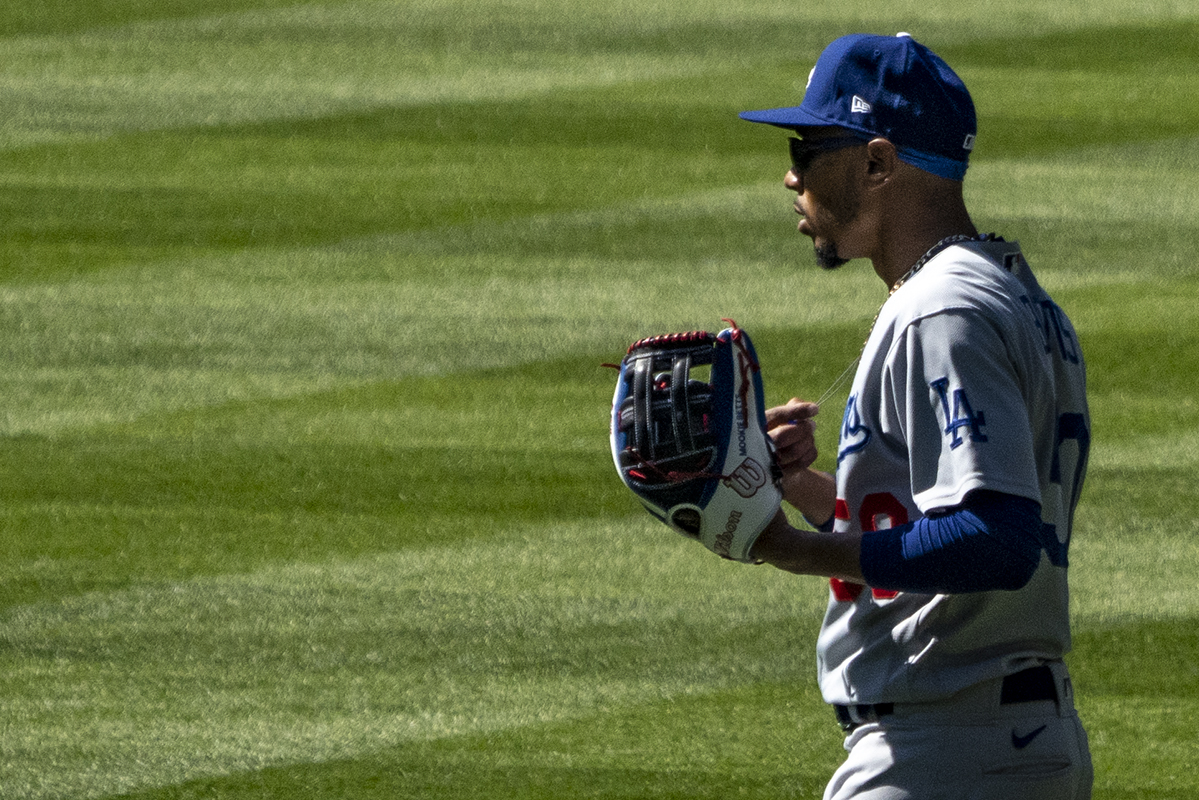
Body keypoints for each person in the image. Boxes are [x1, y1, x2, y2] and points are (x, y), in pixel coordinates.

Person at [737, 33, 1094, 799]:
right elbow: (946, 509)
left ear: (875, 163)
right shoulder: (1013, 293)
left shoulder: (944, 305)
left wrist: (791, 549)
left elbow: (994, 539)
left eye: (809, 145)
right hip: (1001, 738)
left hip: (947, 748)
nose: (790, 174)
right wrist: (810, 493)